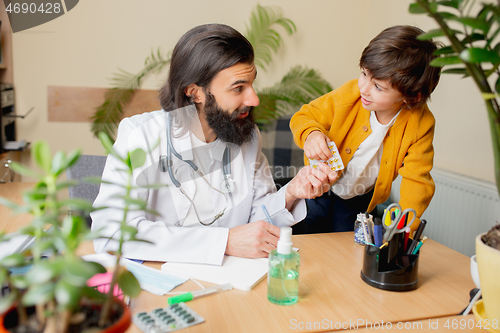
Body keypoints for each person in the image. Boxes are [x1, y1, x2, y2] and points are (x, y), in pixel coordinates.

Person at [91, 23, 337, 265]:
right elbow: (111, 233)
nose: (254, 98)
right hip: (162, 279)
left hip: (233, 280)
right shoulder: (141, 136)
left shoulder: (247, 135)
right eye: (238, 88)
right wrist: (225, 241)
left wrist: (291, 193)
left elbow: (256, 217)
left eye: (251, 84)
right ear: (195, 92)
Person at [290, 25, 441, 234]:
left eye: (378, 87)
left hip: (359, 199)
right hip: (319, 187)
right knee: (303, 235)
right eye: (363, 73)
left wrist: (403, 228)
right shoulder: (350, 94)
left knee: (345, 248)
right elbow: (305, 115)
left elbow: (416, 180)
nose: (364, 87)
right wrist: (311, 134)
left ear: (411, 96)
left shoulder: (420, 124)